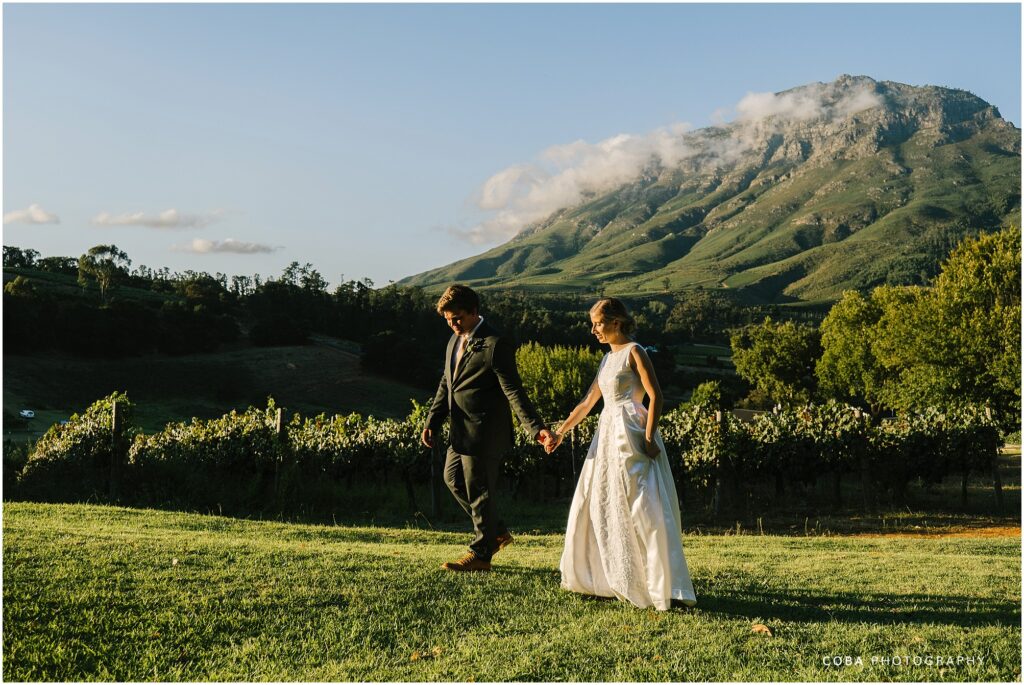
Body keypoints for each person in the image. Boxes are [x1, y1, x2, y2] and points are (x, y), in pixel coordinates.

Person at [546, 297, 697, 610]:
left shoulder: (635, 351)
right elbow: (588, 403)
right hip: (606, 433)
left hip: (631, 431)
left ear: (616, 322)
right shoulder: (606, 360)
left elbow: (656, 396)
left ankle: (659, 584)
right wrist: (560, 432)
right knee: (602, 501)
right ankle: (607, 578)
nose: (593, 330)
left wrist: (649, 436)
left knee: (642, 504)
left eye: (598, 324)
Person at [422, 284, 556, 572]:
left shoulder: (495, 343)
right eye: (447, 320)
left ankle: (481, 554)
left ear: (474, 311)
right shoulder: (453, 341)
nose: (453, 324)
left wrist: (535, 428)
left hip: (485, 430)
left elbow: (513, 390)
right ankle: (497, 532)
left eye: (457, 318)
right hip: (460, 431)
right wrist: (433, 421)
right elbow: (447, 383)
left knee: (480, 491)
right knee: (452, 479)